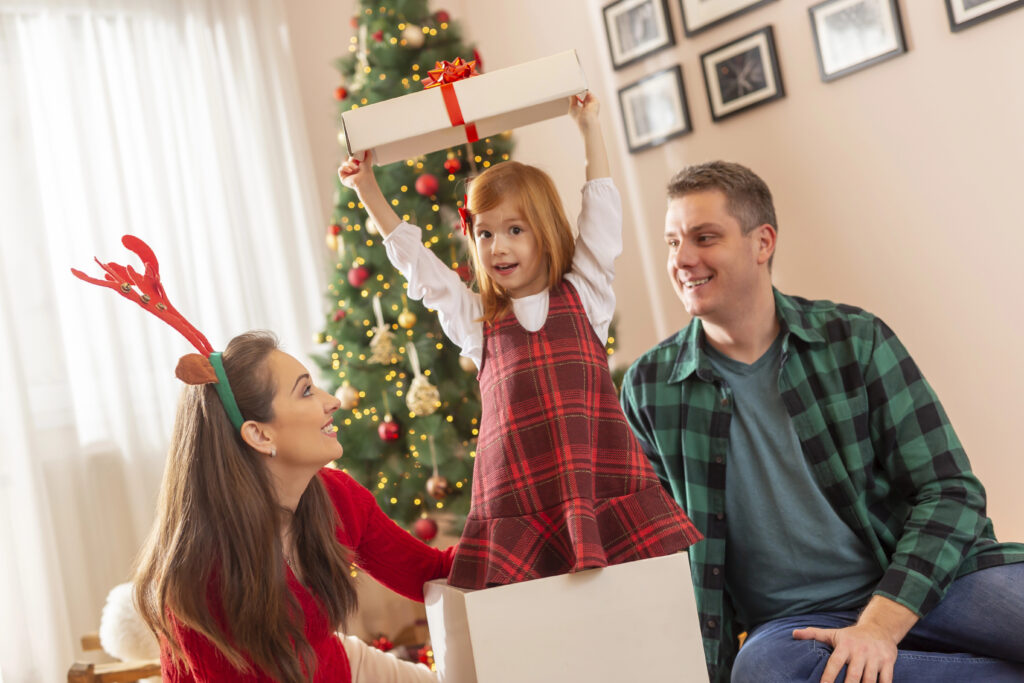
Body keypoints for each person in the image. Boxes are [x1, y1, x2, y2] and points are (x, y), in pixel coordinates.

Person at [620, 160, 1024, 683]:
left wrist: (879, 626)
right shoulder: (650, 388)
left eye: (704, 237)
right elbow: (655, 557)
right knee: (765, 670)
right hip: (800, 629)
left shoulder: (854, 340)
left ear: (761, 242)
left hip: (926, 585)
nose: (683, 259)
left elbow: (950, 492)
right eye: (673, 242)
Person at [338, 94, 702, 590]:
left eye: (514, 230)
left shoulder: (586, 293)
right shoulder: (476, 322)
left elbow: (601, 214)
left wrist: (589, 126)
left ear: (545, 232)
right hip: (516, 504)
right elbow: (419, 266)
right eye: (484, 234)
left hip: (595, 483)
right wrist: (365, 188)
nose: (498, 247)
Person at [74, 240, 451, 683]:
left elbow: (432, 575)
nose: (331, 402)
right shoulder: (201, 578)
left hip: (343, 665)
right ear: (259, 434)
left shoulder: (335, 497)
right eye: (307, 391)